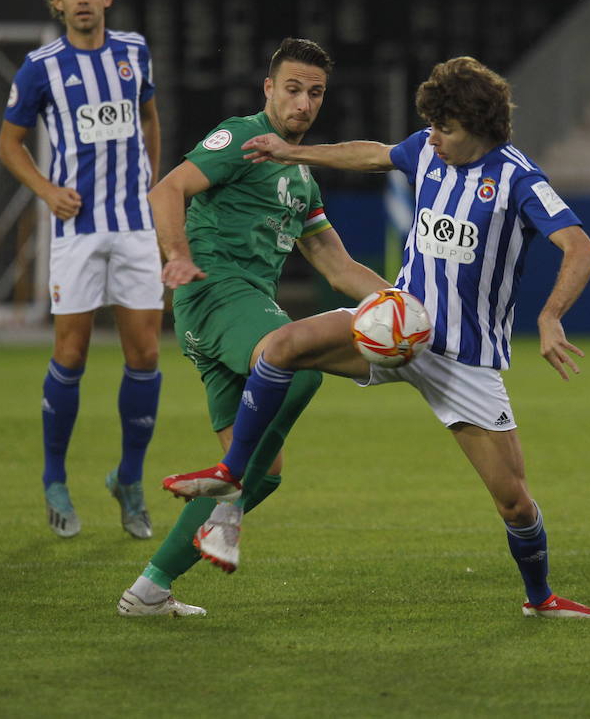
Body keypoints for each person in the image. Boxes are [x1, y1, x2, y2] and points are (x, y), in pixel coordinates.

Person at [162, 55, 590, 619]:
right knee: (281, 348)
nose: (433, 138)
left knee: (514, 501)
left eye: (446, 129)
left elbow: (580, 247)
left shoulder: (519, 178)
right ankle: (230, 480)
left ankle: (539, 597)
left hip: (463, 360)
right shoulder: (425, 149)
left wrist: (550, 317)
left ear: (480, 128)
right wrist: (293, 151)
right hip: (395, 326)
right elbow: (371, 153)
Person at [116, 38, 393, 617]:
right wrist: (177, 253)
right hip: (218, 294)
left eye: (315, 93)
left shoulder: (302, 177)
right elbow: (167, 189)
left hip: (238, 316)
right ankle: (227, 504)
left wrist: (399, 300)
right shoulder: (242, 139)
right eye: (292, 88)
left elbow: (338, 267)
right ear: (268, 88)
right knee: (299, 368)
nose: (304, 103)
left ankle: (150, 589)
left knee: (265, 472)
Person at [0, 0, 164, 541]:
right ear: (57, 2)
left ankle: (130, 478)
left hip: (134, 227)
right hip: (77, 230)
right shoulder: (39, 67)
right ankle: (54, 478)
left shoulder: (135, 51)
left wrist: (150, 184)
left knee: (145, 355)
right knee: (71, 354)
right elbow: (9, 144)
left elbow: (149, 119)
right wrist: (47, 191)